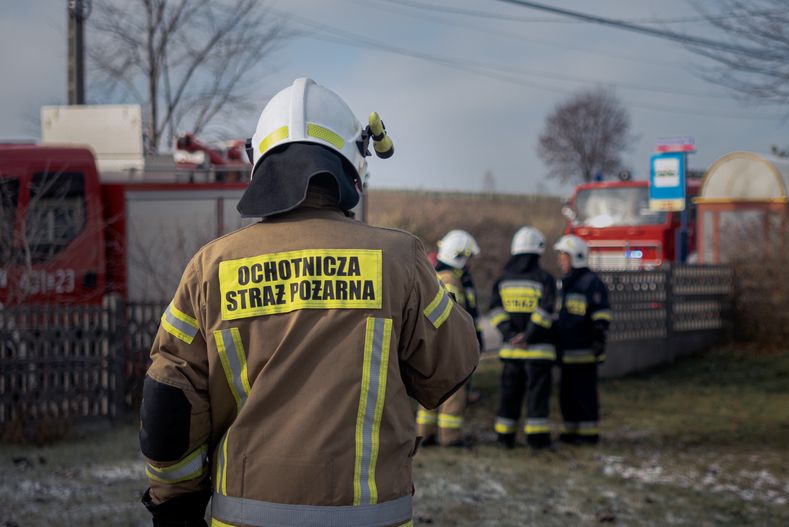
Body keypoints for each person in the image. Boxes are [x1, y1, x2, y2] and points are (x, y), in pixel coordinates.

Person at [139, 77, 480, 527]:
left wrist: (176, 506)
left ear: (260, 162)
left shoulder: (211, 268)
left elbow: (169, 397)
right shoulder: (399, 258)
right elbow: (452, 366)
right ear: (353, 163)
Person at [488, 226, 557, 449]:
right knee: (537, 396)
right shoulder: (545, 279)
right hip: (538, 352)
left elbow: (495, 310)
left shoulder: (502, 280)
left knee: (509, 395)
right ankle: (537, 439)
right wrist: (529, 335)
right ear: (537, 252)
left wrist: (510, 334)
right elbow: (546, 310)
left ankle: (504, 437)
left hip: (511, 352)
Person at [416, 230, 480, 446]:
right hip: (451, 346)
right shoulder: (451, 279)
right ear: (459, 256)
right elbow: (453, 315)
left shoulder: (434, 276)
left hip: (433, 344)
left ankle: (425, 433)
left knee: (430, 390)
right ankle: (450, 437)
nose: (471, 263)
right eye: (469, 258)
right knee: (454, 392)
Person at [553, 234, 611, 445]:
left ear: (576, 257)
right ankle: (569, 431)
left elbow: (602, 313)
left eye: (564, 257)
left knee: (584, 394)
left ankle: (588, 434)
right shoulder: (564, 284)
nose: (561, 261)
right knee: (566, 395)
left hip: (585, 352)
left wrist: (598, 337)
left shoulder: (591, 283)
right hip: (566, 353)